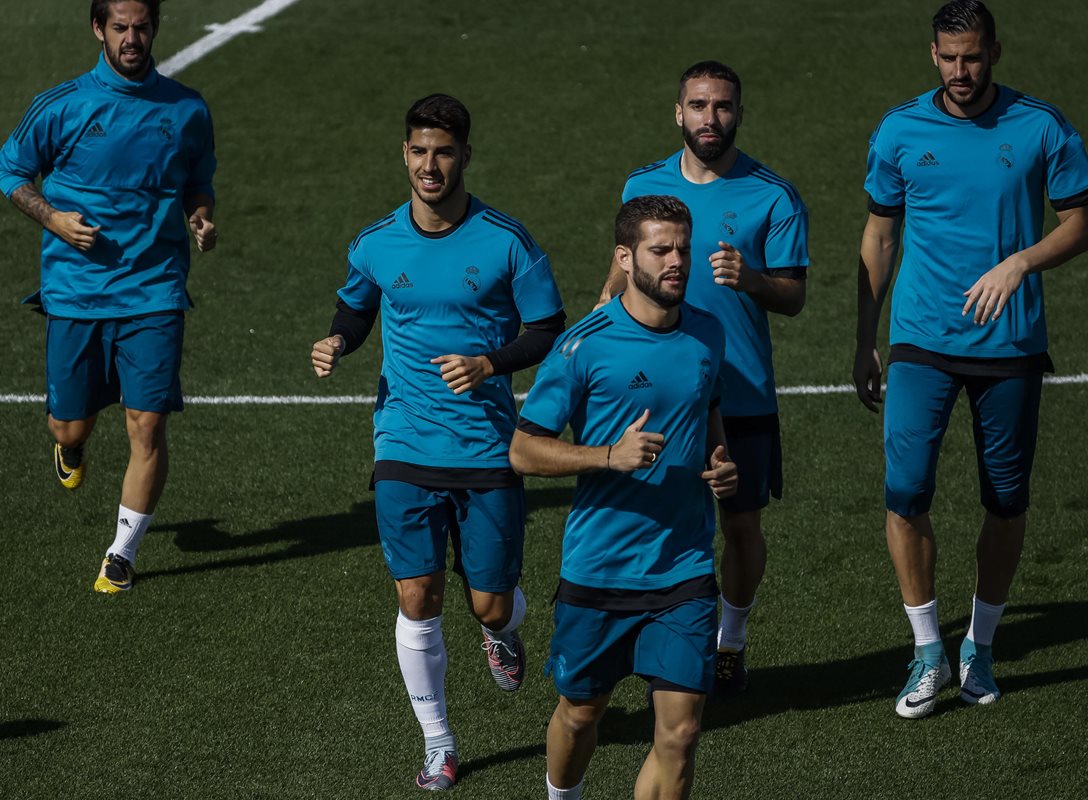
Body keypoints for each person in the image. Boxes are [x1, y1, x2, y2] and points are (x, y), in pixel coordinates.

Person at [310, 94, 565, 791]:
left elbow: (547, 327)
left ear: (465, 157)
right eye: (419, 151)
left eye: (443, 152)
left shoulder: (506, 240)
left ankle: (502, 630)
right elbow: (357, 305)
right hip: (404, 443)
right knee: (417, 596)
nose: (430, 165)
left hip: (484, 448)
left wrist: (490, 363)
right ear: (405, 154)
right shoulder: (375, 241)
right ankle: (439, 742)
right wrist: (338, 339)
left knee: (488, 601)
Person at [854, 0, 1088, 719]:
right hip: (921, 340)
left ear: (995, 52)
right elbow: (880, 236)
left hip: (1011, 346)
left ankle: (979, 648)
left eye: (974, 57)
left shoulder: (1041, 126)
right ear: (933, 54)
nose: (962, 71)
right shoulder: (899, 130)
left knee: (1006, 500)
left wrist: (1021, 262)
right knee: (906, 491)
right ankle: (929, 651)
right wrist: (865, 336)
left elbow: (1081, 220)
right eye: (950, 57)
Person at [512, 195, 737, 800]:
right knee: (581, 715)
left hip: (684, 565)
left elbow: (709, 406)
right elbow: (523, 450)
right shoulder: (585, 346)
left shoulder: (708, 333)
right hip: (600, 569)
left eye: (683, 249)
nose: (676, 262)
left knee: (682, 732)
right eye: (660, 250)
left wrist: (720, 462)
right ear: (625, 256)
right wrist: (609, 456)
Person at [596, 61, 809, 693]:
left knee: (740, 525)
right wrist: (600, 318)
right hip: (655, 393)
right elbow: (620, 273)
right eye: (697, 106)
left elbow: (794, 297)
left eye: (721, 107)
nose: (709, 119)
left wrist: (751, 279)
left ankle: (731, 638)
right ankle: (652, 641)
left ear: (739, 113)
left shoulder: (774, 194)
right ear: (678, 112)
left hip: (739, 393)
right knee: (652, 521)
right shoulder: (645, 184)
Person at [0, 0, 218, 594]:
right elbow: (10, 172)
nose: (132, 38)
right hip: (77, 293)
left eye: (141, 27)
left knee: (147, 427)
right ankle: (71, 447)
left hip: (155, 291)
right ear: (98, 29)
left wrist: (200, 217)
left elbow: (198, 179)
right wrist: (55, 220)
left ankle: (122, 552)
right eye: (120, 27)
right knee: (70, 427)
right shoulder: (62, 105)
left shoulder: (187, 108)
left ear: (155, 29)